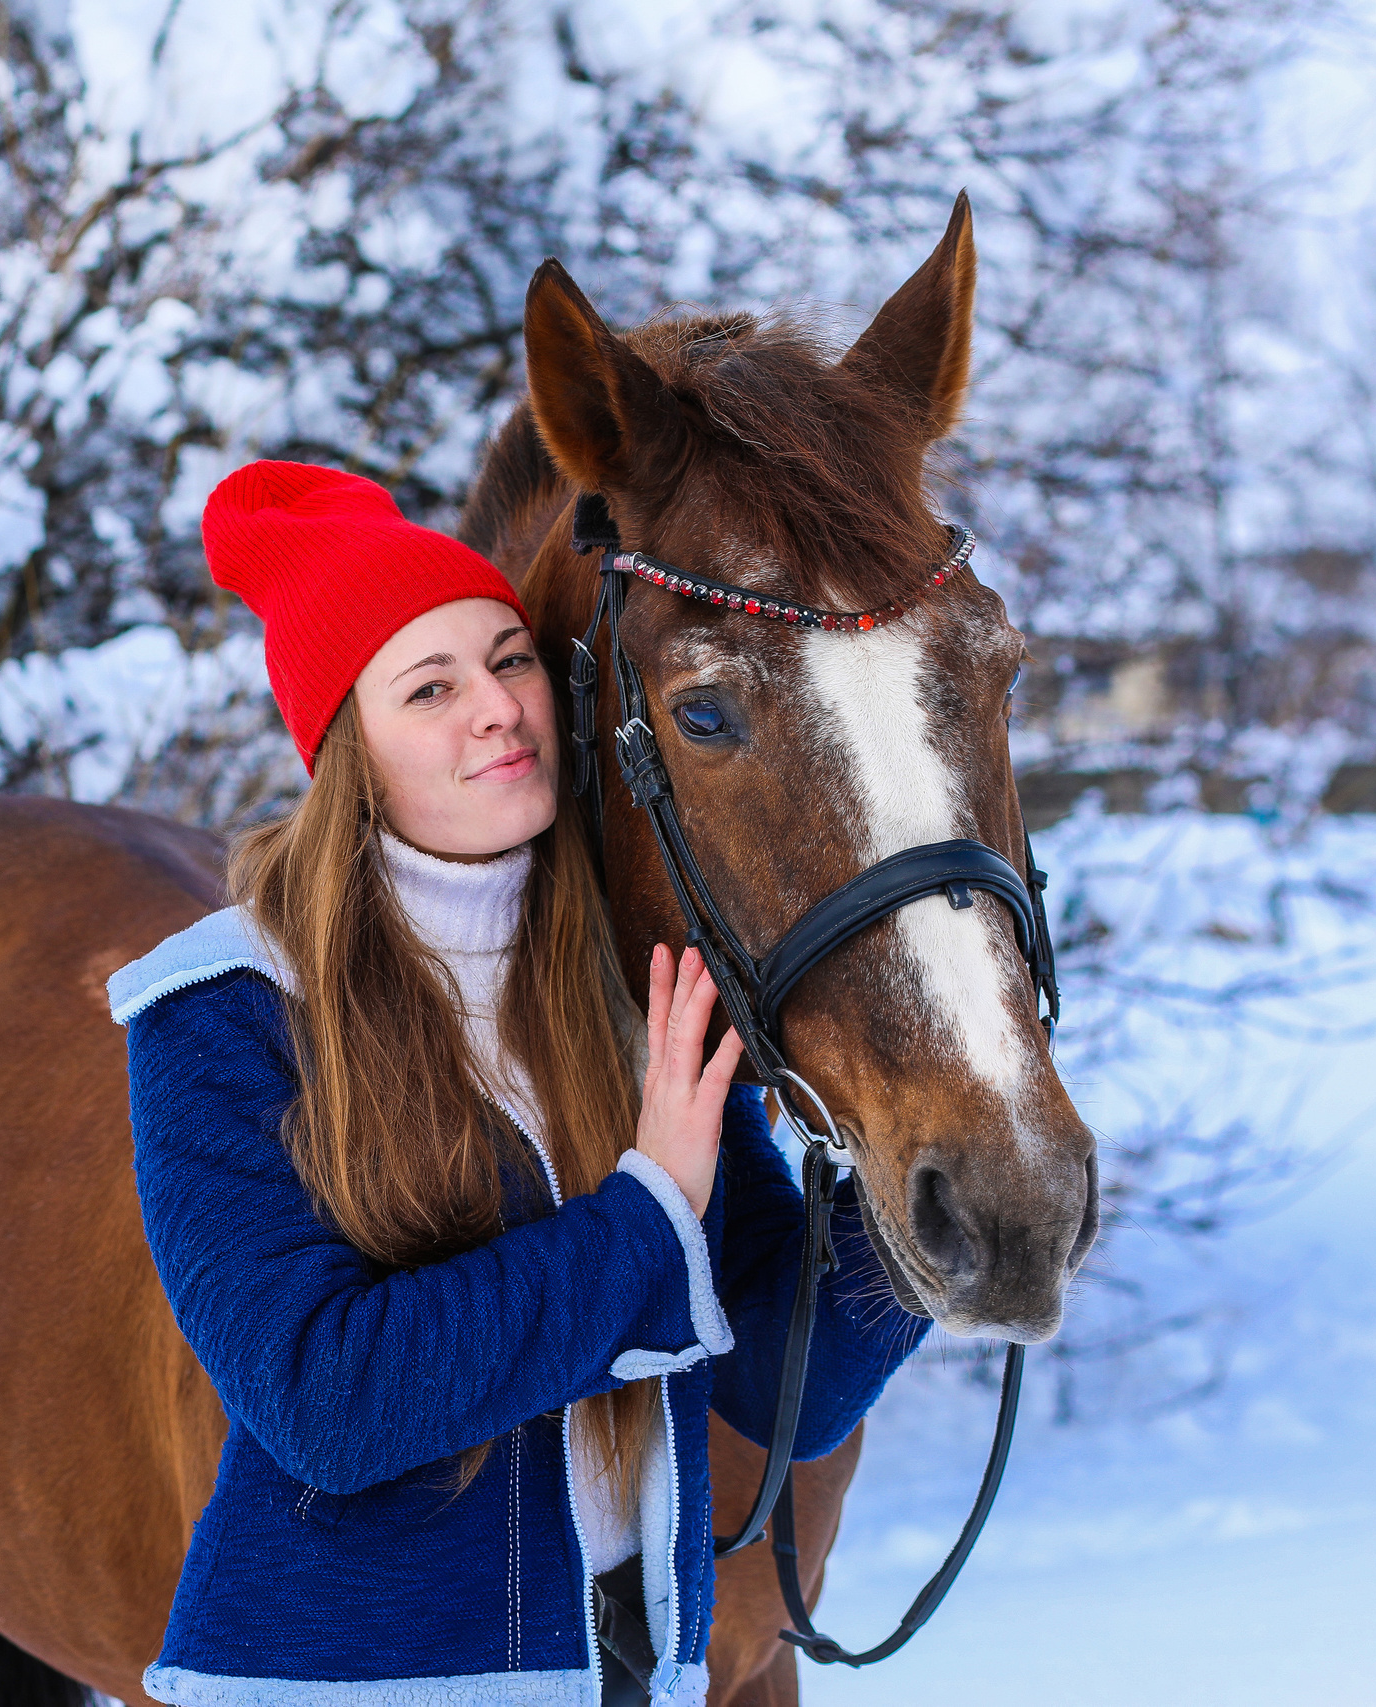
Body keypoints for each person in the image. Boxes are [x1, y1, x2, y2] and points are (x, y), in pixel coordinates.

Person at [106, 460, 927, 1706]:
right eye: (429, 687)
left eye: (509, 659)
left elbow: (779, 1387)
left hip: (620, 1659)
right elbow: (326, 1404)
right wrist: (648, 1211)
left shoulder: (617, 980)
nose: (496, 707)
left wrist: (931, 1178)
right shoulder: (225, 1011)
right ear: (348, 751)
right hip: (358, 1683)